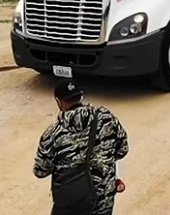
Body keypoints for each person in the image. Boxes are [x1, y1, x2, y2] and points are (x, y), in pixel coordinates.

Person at [34, 79, 129, 215]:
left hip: (72, 203)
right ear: (81, 97)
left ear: (58, 102)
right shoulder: (106, 119)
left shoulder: (52, 134)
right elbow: (123, 149)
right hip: (103, 200)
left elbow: (40, 171)